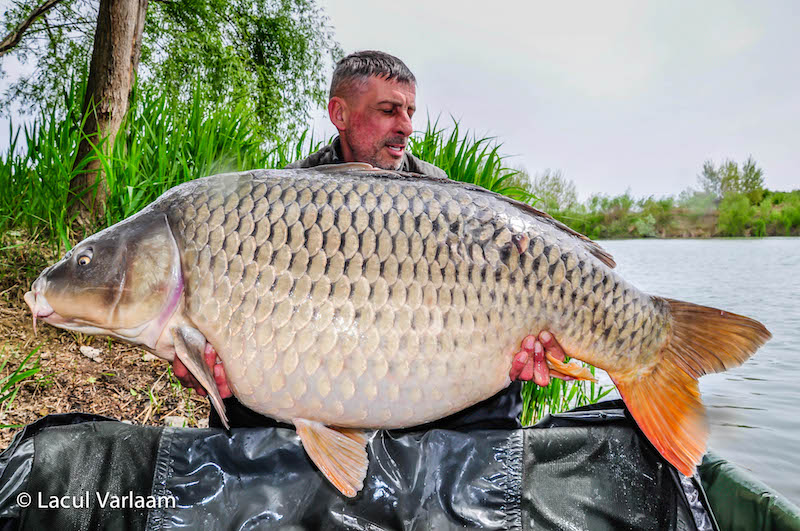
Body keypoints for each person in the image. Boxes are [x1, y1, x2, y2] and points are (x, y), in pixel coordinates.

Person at [173, 50, 573, 429]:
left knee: (500, 392)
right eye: (388, 110)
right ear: (340, 114)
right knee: (239, 403)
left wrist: (521, 348)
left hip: (419, 362)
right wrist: (214, 365)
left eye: (410, 112)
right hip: (322, 361)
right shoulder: (286, 198)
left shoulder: (440, 194)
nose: (406, 126)